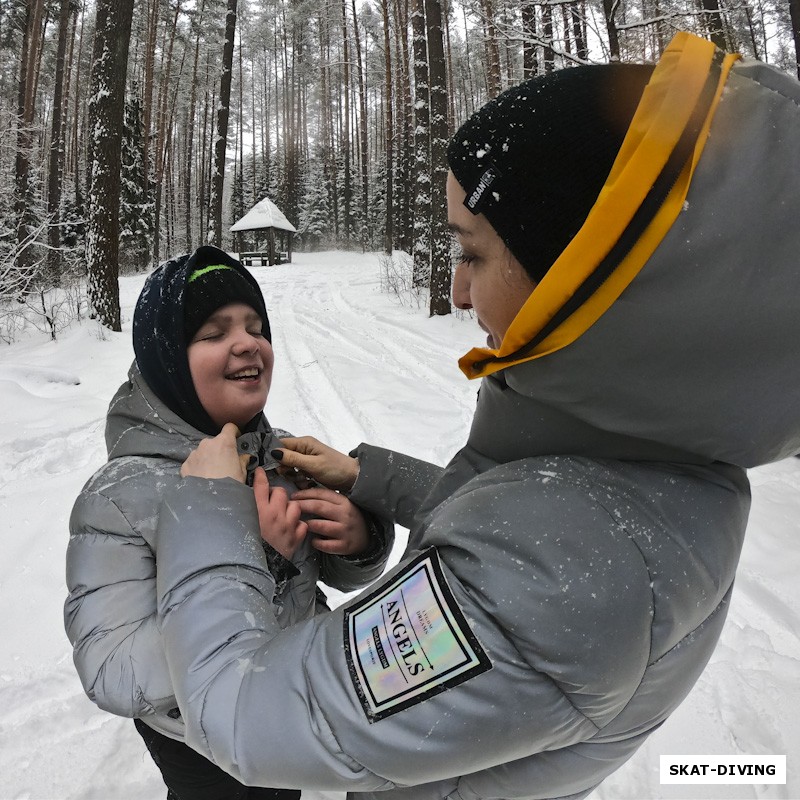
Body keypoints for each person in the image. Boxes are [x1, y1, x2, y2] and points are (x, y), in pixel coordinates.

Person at [149, 32, 800, 800]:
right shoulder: (657, 458)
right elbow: (532, 523)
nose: (457, 294)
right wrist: (369, 477)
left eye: (472, 252)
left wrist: (206, 509)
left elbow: (248, 717)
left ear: (582, 275)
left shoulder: (559, 588)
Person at [64, 245, 393, 800]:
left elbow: (331, 576)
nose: (247, 342)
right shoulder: (122, 496)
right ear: (168, 359)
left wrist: (359, 540)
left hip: (286, 698)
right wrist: (257, 559)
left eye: (255, 326)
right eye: (213, 333)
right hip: (190, 735)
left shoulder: (276, 455)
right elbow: (111, 668)